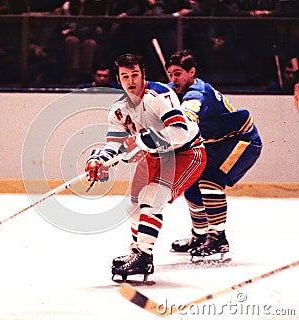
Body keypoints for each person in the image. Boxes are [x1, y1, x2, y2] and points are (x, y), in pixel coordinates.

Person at [84, 53, 206, 281]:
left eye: (135, 75)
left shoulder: (161, 95)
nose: (131, 81)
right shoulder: (118, 109)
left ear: (143, 75)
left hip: (185, 153)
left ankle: (143, 255)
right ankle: (137, 250)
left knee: (151, 199)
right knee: (133, 207)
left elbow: (178, 132)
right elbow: (115, 144)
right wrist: (100, 160)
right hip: (154, 156)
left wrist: (142, 141)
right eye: (125, 76)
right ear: (118, 79)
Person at [165, 49, 263, 261]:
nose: (174, 79)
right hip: (217, 144)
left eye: (178, 73)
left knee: (210, 182)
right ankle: (200, 235)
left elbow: (188, 115)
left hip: (242, 140)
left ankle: (218, 237)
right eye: (171, 74)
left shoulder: (197, 94)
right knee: (191, 186)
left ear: (192, 72)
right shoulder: (176, 90)